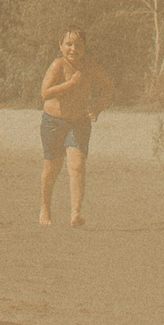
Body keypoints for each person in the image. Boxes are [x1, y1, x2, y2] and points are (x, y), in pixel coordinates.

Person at [39, 25, 113, 227]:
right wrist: (71, 84)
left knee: (77, 165)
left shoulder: (89, 66)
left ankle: (76, 213)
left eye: (78, 45)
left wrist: (97, 109)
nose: (73, 49)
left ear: (85, 47)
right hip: (53, 121)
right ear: (60, 46)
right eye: (69, 44)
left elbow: (109, 85)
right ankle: (45, 208)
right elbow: (45, 93)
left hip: (79, 122)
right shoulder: (58, 65)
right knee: (52, 167)